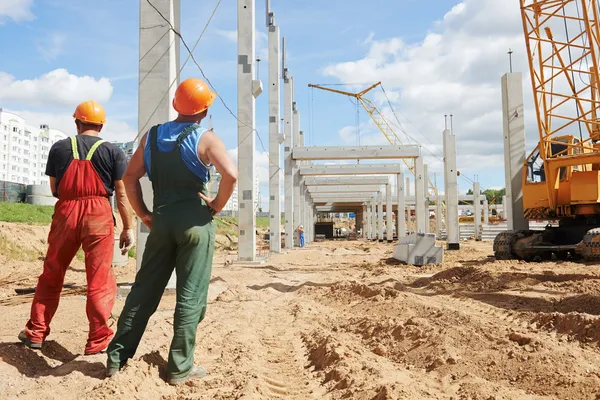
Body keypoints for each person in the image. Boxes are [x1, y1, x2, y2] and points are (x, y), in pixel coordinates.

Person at [106, 78, 238, 385]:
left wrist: (144, 215)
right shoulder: (206, 138)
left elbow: (129, 177)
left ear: (176, 105)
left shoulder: (152, 138)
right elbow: (231, 174)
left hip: (162, 222)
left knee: (144, 290)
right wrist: (216, 206)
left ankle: (116, 358)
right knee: (190, 295)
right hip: (195, 221)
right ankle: (180, 367)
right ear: (205, 111)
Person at [19, 100, 134, 355]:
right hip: (99, 214)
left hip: (66, 212)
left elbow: (53, 188)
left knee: (52, 272)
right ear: (101, 125)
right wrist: (128, 227)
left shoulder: (59, 148)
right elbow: (123, 195)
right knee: (99, 278)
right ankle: (98, 340)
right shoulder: (114, 152)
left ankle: (36, 332)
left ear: (76, 122)